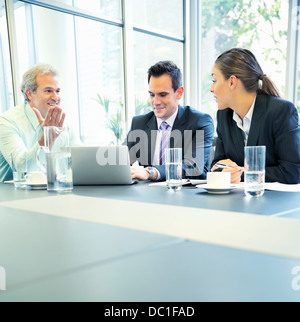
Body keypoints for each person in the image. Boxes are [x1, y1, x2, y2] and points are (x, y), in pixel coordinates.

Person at [210, 48, 300, 184]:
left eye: (215, 80)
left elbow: (292, 172)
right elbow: (217, 164)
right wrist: (224, 171)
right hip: (237, 201)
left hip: (274, 202)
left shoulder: (280, 111)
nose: (212, 88)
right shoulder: (224, 115)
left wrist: (241, 174)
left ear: (232, 82)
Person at [127, 60, 215, 181]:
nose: (155, 102)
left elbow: (192, 166)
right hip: (147, 195)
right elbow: (122, 160)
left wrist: (151, 172)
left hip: (187, 195)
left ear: (179, 93)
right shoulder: (139, 123)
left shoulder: (200, 122)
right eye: (152, 95)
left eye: (162, 95)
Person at [0, 63, 79, 182]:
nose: (56, 97)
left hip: (55, 192)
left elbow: (81, 159)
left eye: (57, 91)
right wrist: (47, 138)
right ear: (30, 94)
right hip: (15, 197)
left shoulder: (63, 121)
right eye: (48, 91)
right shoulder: (7, 122)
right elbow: (21, 168)